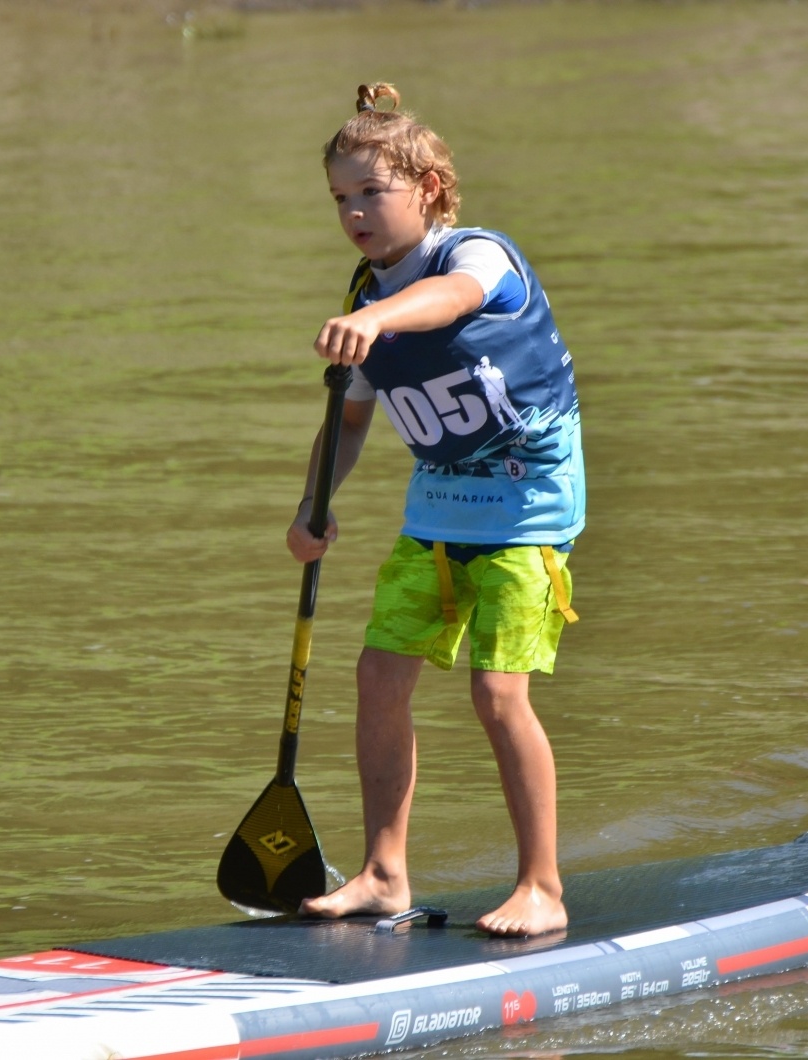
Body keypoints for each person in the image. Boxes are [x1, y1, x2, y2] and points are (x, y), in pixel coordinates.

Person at [286, 82, 585, 938]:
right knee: (379, 678)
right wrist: (314, 508)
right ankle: (384, 873)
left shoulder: (480, 255)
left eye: (372, 193)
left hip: (528, 510)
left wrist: (375, 319)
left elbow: (450, 305)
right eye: (341, 198)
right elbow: (347, 425)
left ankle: (543, 888)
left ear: (432, 192)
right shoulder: (365, 303)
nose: (354, 213)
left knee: (498, 695)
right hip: (438, 511)